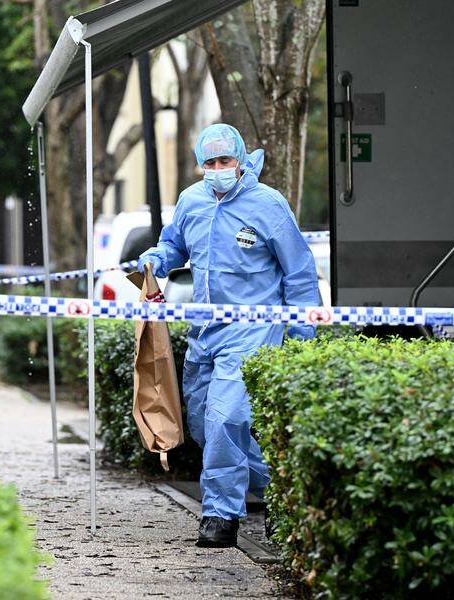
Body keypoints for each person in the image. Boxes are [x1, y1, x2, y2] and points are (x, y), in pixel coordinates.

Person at [137, 123, 319, 548]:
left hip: (253, 330)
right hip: (205, 332)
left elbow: (299, 271)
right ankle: (283, 493)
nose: (218, 169)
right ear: (201, 165)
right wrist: (156, 260)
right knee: (204, 425)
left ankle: (220, 517)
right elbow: (175, 246)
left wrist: (302, 332)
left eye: (226, 161)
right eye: (211, 163)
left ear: (240, 162)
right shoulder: (191, 201)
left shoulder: (268, 205)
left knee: (226, 419)